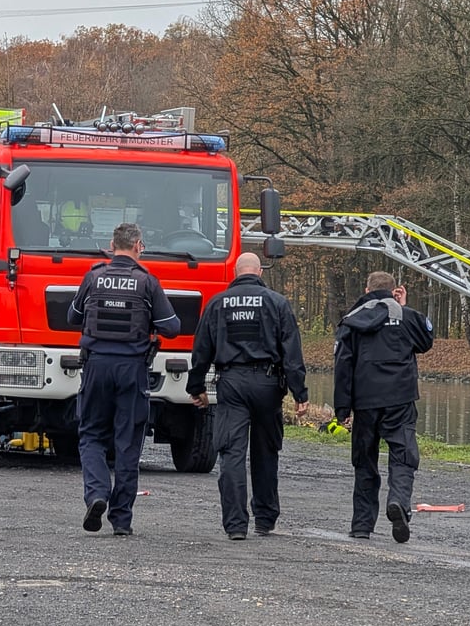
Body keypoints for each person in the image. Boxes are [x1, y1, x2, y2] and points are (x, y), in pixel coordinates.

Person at [68, 223, 181, 536]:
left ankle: (97, 494)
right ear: (139, 246)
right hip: (131, 370)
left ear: (111, 245)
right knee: (128, 442)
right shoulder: (147, 283)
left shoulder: (92, 277)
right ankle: (121, 520)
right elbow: (171, 327)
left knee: (90, 435)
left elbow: (72, 318)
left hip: (96, 367)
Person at [186, 252, 309, 541]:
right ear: (259, 273)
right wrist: (300, 392)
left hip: (232, 382)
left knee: (231, 453)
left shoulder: (217, 303)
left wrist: (196, 388)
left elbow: (201, 350)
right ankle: (265, 519)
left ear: (236, 273)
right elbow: (291, 353)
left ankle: (235, 525)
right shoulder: (277, 303)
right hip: (268, 383)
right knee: (266, 452)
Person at [334, 271, 433, 543]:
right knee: (403, 456)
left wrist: (342, 409)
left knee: (364, 461)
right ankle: (399, 501)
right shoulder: (407, 317)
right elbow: (426, 342)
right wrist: (403, 306)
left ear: (366, 290)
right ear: (394, 291)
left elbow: (343, 366)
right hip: (400, 399)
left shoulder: (352, 321)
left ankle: (361, 526)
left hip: (365, 401)